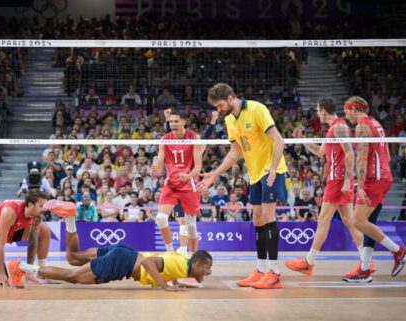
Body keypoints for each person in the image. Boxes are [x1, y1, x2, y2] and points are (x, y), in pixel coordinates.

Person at [8, 200, 213, 291]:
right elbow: (150, 264)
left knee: (73, 257)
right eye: (208, 268)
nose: (209, 272)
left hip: (125, 251)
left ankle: (70, 218)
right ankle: (22, 268)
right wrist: (165, 286)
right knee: (73, 277)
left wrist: (175, 282)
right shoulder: (181, 266)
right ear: (199, 265)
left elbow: (169, 267)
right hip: (123, 262)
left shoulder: (182, 260)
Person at [200, 83, 288, 289]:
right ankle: (261, 269)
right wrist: (214, 174)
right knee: (257, 219)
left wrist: (274, 167)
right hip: (255, 175)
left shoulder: (257, 109)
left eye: (220, 105)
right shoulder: (230, 120)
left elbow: (279, 140)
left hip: (272, 171)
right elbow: (235, 153)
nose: (218, 110)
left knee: (268, 216)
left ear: (230, 99)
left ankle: (274, 273)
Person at [285, 98, 373, 276]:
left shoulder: (339, 127)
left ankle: (308, 262)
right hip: (338, 180)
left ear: (324, 110)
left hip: (338, 180)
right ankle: (367, 262)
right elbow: (320, 152)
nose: (317, 114)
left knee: (323, 220)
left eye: (318, 110)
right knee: (349, 221)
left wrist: (348, 181)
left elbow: (350, 154)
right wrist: (302, 140)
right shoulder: (333, 129)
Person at [342, 96, 406, 282]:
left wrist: (362, 185)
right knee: (368, 222)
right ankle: (364, 270)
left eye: (347, 110)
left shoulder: (363, 126)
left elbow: (362, 158)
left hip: (374, 178)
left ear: (354, 109)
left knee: (357, 221)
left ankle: (399, 251)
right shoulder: (376, 123)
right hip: (383, 176)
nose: (346, 114)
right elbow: (387, 154)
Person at [153, 108, 204, 256]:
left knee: (191, 227)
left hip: (189, 183)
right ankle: (170, 252)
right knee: (161, 218)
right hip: (172, 184)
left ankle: (193, 257)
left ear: (184, 122)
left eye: (176, 121)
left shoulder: (194, 138)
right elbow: (160, 167)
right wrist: (156, 168)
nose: (173, 124)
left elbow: (198, 166)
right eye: (170, 121)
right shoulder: (164, 140)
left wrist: (188, 176)